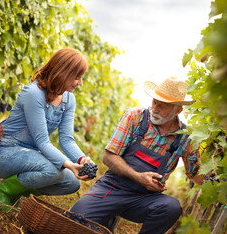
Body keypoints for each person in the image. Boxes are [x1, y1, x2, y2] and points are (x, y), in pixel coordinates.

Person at [71, 76, 205, 234]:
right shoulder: (135, 117)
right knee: (73, 222)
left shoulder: (186, 138)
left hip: (144, 198)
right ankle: (107, 216)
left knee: (171, 207)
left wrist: (217, 177)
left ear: (178, 110)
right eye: (154, 102)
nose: (154, 109)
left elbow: (196, 174)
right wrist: (138, 176)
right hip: (112, 188)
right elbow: (108, 157)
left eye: (162, 106)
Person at [0, 48, 94, 210]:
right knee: (56, 170)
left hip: (29, 155)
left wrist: (81, 159)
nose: (80, 83)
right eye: (77, 77)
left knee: (72, 183)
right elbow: (42, 141)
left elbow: (66, 139)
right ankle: (2, 191)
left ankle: (17, 191)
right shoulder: (33, 93)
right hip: (2, 152)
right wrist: (67, 164)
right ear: (63, 72)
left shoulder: (68, 99)